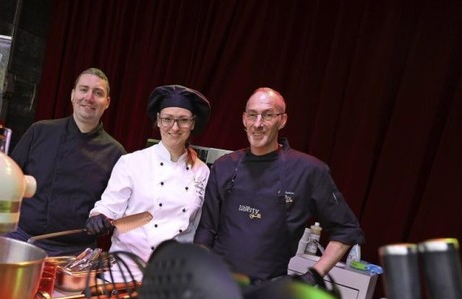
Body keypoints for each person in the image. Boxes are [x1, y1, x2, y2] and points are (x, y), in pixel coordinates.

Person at [194, 87, 364, 285]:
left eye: (267, 115)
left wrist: (312, 277)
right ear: (244, 119)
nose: (258, 124)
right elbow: (207, 229)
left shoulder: (309, 171)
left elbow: (346, 230)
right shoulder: (224, 166)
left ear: (282, 120)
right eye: (252, 115)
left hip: (269, 294)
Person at [85, 84, 211, 281]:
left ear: (193, 123)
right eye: (168, 119)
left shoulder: (202, 171)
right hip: (125, 272)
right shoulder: (132, 162)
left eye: (183, 120)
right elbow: (109, 206)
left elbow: (196, 227)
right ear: (158, 121)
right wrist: (99, 217)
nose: (175, 127)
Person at [7, 68, 126, 256]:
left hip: (74, 253)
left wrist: (105, 219)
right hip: (21, 239)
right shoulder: (39, 131)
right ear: (73, 95)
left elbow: (116, 205)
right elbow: (9, 180)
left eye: (98, 93)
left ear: (107, 102)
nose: (89, 97)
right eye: (84, 89)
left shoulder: (116, 153)